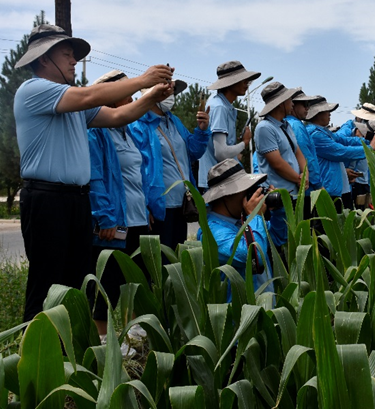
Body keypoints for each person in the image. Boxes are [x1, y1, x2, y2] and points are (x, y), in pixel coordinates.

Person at [13, 23, 173, 322]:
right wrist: (142, 80)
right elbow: (89, 98)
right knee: (47, 286)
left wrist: (151, 96)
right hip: (47, 200)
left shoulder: (72, 102)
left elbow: (117, 115)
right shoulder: (33, 90)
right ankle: (39, 358)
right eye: (66, 54)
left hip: (75, 200)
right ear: (44, 59)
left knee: (76, 284)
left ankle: (71, 354)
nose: (74, 60)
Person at [87, 69, 162, 336]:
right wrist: (105, 217)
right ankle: (102, 352)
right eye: (127, 97)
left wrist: (147, 209)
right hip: (115, 225)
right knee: (106, 293)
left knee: (136, 286)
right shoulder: (96, 131)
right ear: (112, 99)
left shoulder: (127, 132)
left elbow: (137, 175)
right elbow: (95, 175)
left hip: (137, 220)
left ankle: (136, 347)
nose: (132, 103)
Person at [130, 80, 210, 250]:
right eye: (167, 92)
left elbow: (193, 152)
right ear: (153, 95)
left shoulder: (174, 121)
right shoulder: (139, 125)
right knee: (161, 258)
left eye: (173, 92)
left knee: (176, 255)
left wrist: (202, 131)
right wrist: (144, 206)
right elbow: (137, 169)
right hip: (159, 206)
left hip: (181, 204)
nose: (172, 96)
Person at [196, 159, 273, 296]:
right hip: (241, 315)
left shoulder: (242, 220)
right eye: (246, 189)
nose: (250, 194)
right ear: (226, 195)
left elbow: (279, 238)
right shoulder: (212, 233)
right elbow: (253, 256)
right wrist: (255, 216)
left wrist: (276, 210)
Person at [305, 96, 375, 209]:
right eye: (327, 111)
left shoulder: (324, 132)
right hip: (328, 189)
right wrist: (369, 148)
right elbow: (341, 152)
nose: (330, 114)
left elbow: (343, 140)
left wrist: (366, 140)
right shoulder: (316, 135)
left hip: (336, 186)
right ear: (318, 114)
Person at [254, 82, 306, 247]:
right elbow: (277, 163)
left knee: (295, 238)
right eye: (290, 100)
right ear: (280, 103)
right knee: (282, 241)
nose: (292, 103)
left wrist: (305, 173)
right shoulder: (264, 128)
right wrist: (299, 179)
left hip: (295, 192)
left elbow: (298, 152)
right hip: (280, 194)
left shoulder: (286, 126)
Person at [198, 61, 261, 191]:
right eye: (243, 80)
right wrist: (244, 142)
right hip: (218, 184)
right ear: (230, 83)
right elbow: (221, 153)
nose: (247, 84)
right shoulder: (220, 107)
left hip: (220, 180)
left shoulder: (222, 105)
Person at [286, 90, 322, 215]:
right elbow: (306, 157)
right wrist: (318, 184)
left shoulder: (287, 124)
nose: (307, 108)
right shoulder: (296, 125)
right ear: (292, 105)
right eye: (304, 104)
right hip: (308, 189)